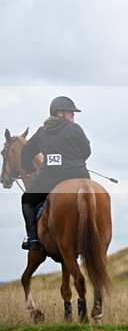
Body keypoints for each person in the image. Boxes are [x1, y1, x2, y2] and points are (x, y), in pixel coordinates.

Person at [19, 96, 92, 251]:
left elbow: (26, 152)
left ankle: (32, 239)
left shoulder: (41, 132)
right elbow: (87, 151)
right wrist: (74, 161)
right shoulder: (76, 129)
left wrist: (30, 169)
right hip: (79, 173)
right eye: (70, 112)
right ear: (60, 113)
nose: (73, 115)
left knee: (27, 199)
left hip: (50, 177)